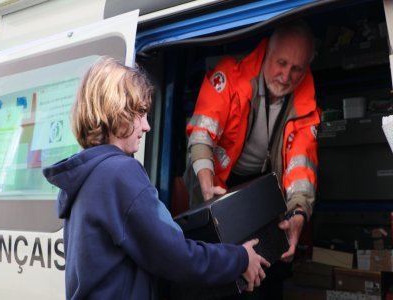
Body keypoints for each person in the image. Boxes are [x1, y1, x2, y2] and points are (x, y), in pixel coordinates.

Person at [42, 57, 270, 300]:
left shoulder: (86, 175)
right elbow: (176, 256)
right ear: (115, 110)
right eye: (140, 113)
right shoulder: (120, 173)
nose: (147, 126)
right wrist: (240, 259)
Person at [184, 20, 321, 299]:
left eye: (297, 68)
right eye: (281, 63)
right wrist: (207, 187)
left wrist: (298, 214)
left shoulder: (306, 102)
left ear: (307, 66)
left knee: (268, 267)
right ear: (266, 54)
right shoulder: (229, 77)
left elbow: (301, 167)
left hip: (265, 188)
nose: (286, 75)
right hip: (220, 184)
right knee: (223, 268)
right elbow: (201, 135)